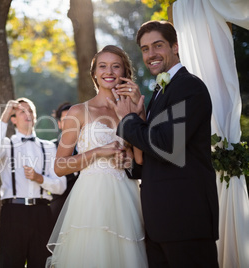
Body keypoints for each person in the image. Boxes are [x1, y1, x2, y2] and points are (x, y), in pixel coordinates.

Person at [109, 20, 219, 267]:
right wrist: (131, 158)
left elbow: (167, 145)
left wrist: (127, 119)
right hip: (160, 222)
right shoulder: (161, 91)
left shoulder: (189, 86)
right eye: (145, 49)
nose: (151, 54)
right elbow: (153, 151)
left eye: (157, 45)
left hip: (185, 219)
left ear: (175, 46)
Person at [47, 45, 148, 267]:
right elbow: (60, 166)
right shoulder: (78, 111)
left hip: (127, 196)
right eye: (102, 66)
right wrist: (97, 152)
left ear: (125, 73)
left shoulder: (131, 108)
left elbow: (139, 160)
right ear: (94, 73)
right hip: (92, 198)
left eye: (115, 66)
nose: (109, 71)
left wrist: (138, 116)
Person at [0, 97, 66, 268]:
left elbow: (61, 186)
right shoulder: (6, 146)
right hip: (13, 213)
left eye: (31, 110)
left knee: (40, 263)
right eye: (22, 111)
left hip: (42, 213)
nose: (28, 114)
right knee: (10, 263)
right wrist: (5, 114)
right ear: (13, 119)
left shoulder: (49, 147)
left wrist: (41, 179)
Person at [50, 102, 79, 225]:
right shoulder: (50, 147)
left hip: (86, 202)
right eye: (65, 119)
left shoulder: (87, 146)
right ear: (59, 124)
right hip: (60, 206)